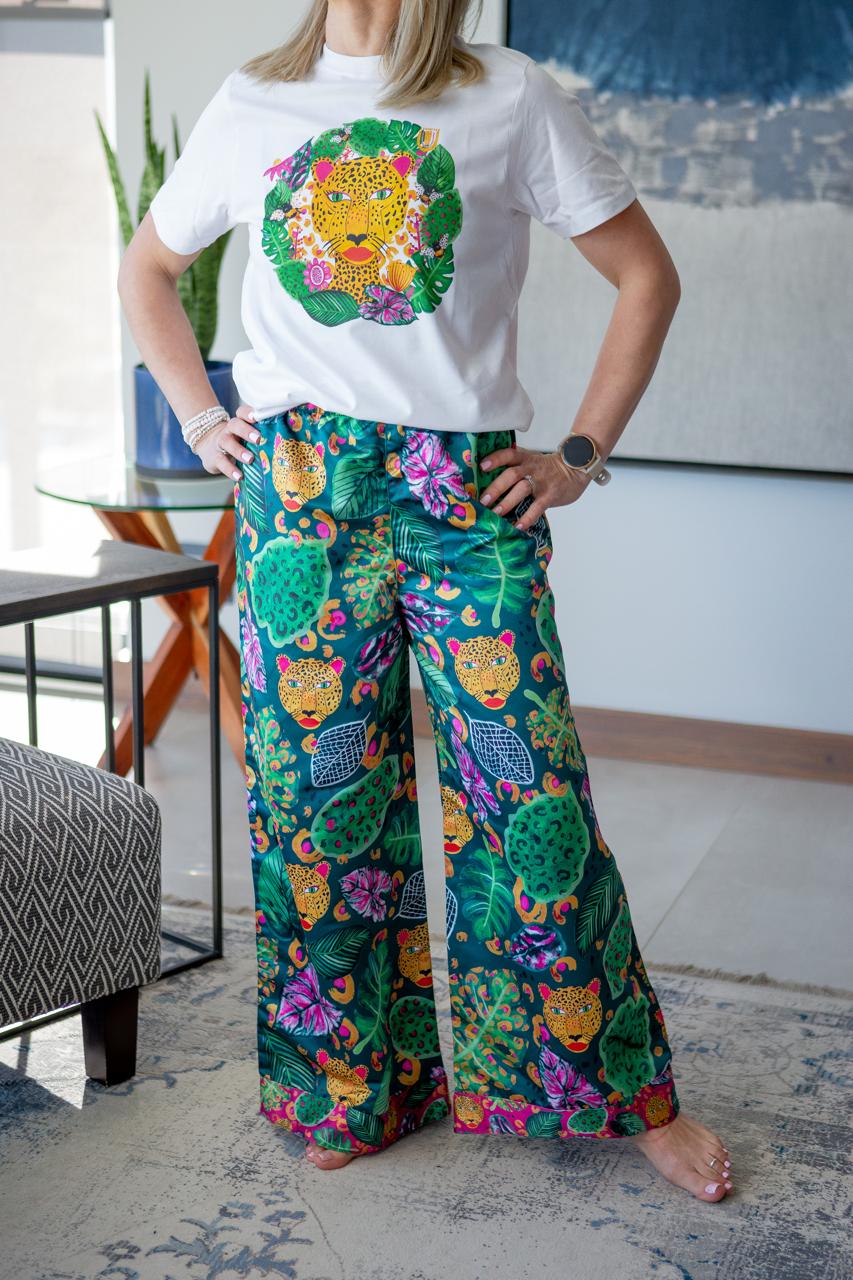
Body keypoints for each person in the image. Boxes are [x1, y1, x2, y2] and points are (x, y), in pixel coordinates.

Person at [118, 0, 733, 1201]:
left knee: (532, 795)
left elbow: (646, 277)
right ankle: (350, 1084)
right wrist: (200, 416)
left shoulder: (509, 94)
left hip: (467, 499)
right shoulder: (253, 101)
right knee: (317, 805)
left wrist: (579, 454)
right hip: (304, 496)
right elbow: (148, 269)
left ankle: (620, 1093)